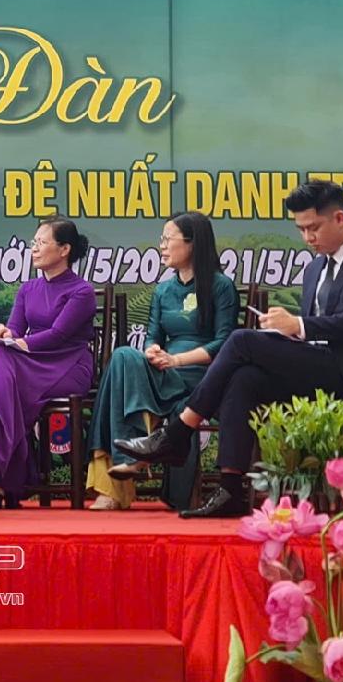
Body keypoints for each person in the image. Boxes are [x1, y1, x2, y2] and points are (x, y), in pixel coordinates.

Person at [117, 180, 343, 519]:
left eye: (313, 228)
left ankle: (177, 434)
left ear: (339, 218)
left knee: (241, 340)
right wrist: (288, 332)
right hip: (317, 370)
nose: (307, 238)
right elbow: (311, 333)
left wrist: (298, 325)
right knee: (245, 377)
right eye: (300, 229)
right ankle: (230, 489)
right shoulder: (315, 268)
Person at [85, 212, 238, 511]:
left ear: (192, 243)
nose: (162, 246)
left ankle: (125, 471)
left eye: (168, 239)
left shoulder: (221, 286)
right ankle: (130, 460)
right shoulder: (163, 290)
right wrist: (153, 351)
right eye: (162, 239)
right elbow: (153, 335)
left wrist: (176, 359)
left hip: (205, 376)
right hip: (167, 372)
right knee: (123, 356)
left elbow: (225, 343)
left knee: (123, 366)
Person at [0, 218, 97, 508]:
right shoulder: (28, 288)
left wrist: (21, 344)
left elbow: (59, 335)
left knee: (3, 368)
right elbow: (15, 329)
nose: (34, 249)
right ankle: (5, 476)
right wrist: (4, 333)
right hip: (32, 362)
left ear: (64, 249)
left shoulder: (82, 291)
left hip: (69, 364)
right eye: (33, 243)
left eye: (41, 243)